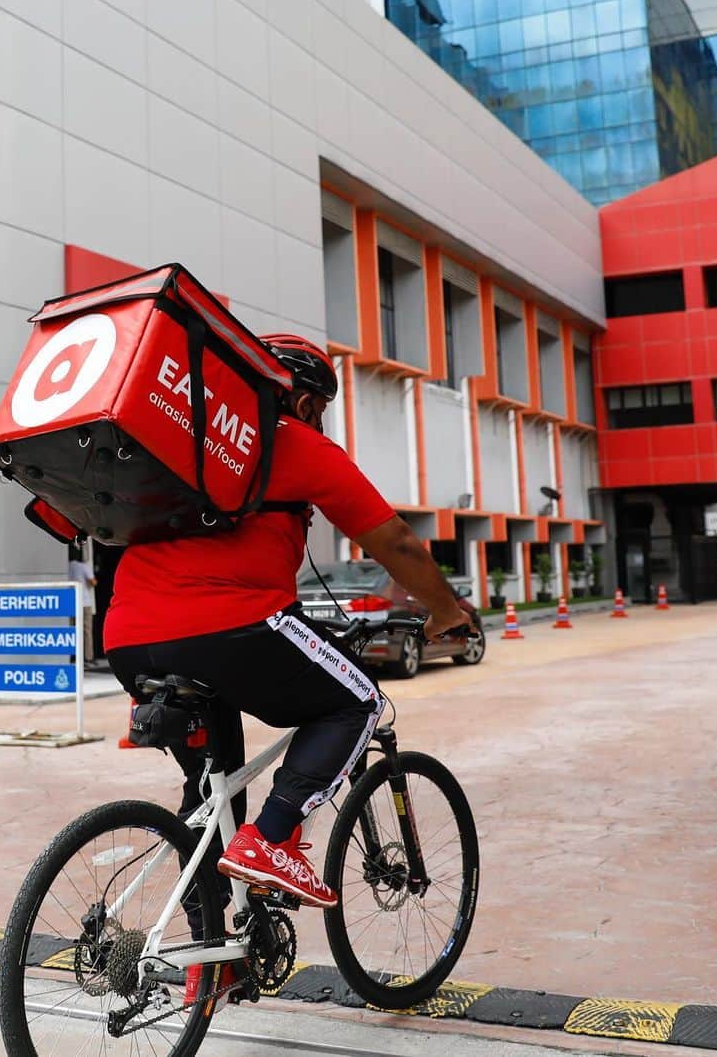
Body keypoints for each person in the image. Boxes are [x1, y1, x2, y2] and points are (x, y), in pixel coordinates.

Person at [105, 332, 473, 920]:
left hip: (128, 636)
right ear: (303, 403)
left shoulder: (186, 440)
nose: (319, 421)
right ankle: (272, 839)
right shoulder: (290, 442)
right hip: (231, 626)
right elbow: (395, 541)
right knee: (357, 701)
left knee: (212, 792)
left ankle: (210, 954)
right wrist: (447, 610)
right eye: (320, 410)